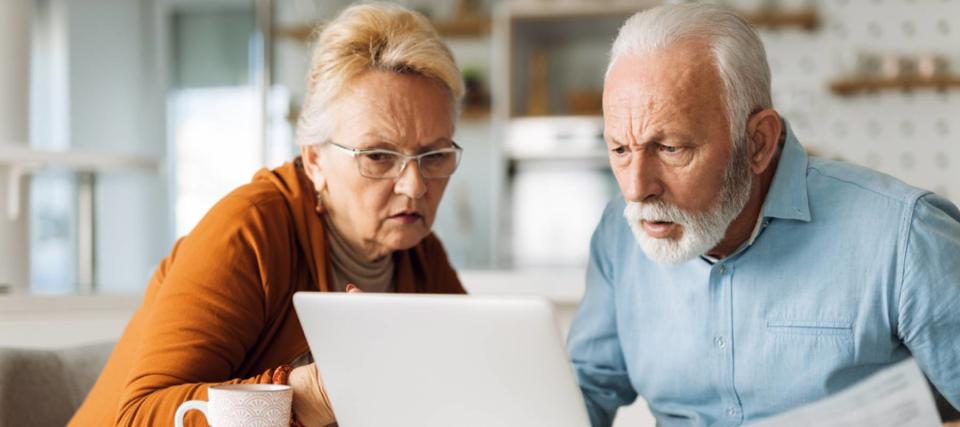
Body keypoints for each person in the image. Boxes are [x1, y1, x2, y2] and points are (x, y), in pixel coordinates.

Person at [70, 3, 466, 426]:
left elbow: (465, 385)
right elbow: (139, 416)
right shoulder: (249, 229)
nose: (415, 185)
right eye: (378, 156)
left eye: (435, 154)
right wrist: (310, 395)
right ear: (314, 160)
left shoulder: (421, 255)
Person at [567, 4, 960, 426]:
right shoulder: (619, 234)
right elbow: (578, 398)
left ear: (757, 142)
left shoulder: (906, 236)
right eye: (621, 150)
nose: (636, 189)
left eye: (671, 149)